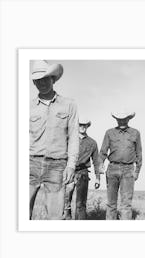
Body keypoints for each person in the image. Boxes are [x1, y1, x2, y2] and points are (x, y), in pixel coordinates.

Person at [30, 60, 79, 220]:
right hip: (30, 163)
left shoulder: (69, 105)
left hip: (57, 166)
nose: (41, 83)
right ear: (33, 82)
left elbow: (73, 137)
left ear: (53, 79)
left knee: (55, 218)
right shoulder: (27, 107)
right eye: (37, 80)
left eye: (45, 78)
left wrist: (71, 165)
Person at [99, 111, 142, 220]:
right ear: (116, 119)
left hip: (128, 170)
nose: (122, 121)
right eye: (119, 118)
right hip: (112, 169)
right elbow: (103, 151)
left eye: (124, 118)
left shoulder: (135, 133)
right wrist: (100, 164)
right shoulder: (109, 133)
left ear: (128, 119)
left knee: (126, 204)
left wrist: (137, 171)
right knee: (111, 204)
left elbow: (139, 153)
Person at [64, 118, 101, 220]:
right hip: (68, 173)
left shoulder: (92, 143)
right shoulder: (69, 140)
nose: (82, 127)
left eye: (85, 125)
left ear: (87, 127)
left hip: (83, 174)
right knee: (65, 202)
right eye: (80, 125)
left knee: (81, 204)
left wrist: (98, 178)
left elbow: (96, 161)